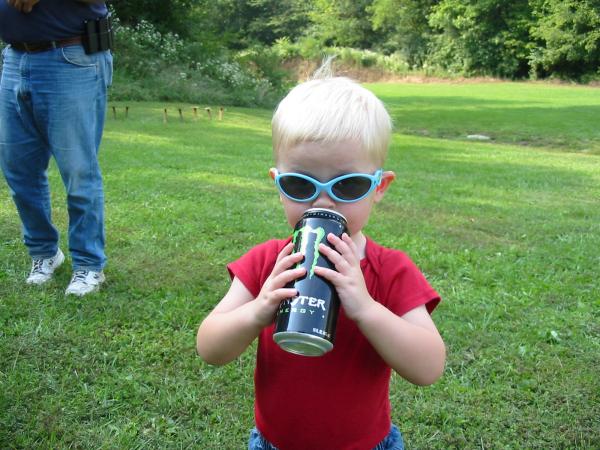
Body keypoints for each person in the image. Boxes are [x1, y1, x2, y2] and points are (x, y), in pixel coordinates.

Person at [196, 68, 446, 450]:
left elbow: (429, 367)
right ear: (278, 184)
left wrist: (365, 308)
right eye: (300, 184)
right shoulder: (267, 262)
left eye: (348, 185)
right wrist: (260, 308)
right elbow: (210, 348)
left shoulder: (391, 270)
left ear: (379, 187)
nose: (323, 202)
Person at [0, 0, 112, 296]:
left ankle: (88, 264)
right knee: (18, 170)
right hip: (15, 57)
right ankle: (44, 253)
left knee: (78, 170)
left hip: (70, 56)